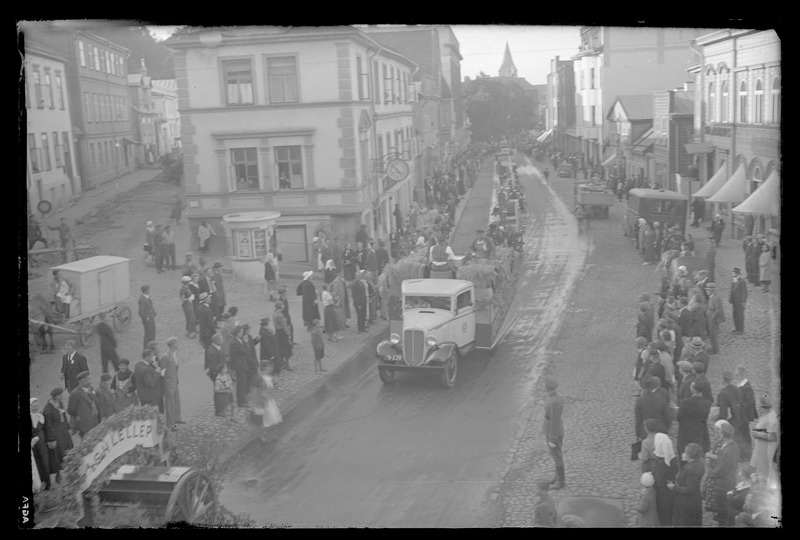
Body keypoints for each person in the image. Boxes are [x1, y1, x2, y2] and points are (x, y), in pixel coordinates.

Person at [705, 420, 740, 526]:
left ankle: (723, 522)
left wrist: (709, 470)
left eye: (719, 432)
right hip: (729, 479)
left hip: (723, 483)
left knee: (722, 504)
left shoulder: (727, 451)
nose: (717, 434)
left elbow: (720, 470)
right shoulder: (733, 445)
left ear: (724, 435)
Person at [716, 370, 751, 462]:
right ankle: (748, 457)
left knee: (736, 440)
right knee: (746, 437)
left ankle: (740, 458)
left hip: (734, 421)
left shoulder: (723, 393)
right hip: (744, 418)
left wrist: (721, 424)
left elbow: (723, 413)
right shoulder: (739, 389)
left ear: (723, 381)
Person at [669, 442, 706, 526]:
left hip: (687, 502)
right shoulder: (698, 463)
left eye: (685, 452)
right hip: (693, 499)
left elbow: (690, 489)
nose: (683, 454)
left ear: (690, 456)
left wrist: (674, 488)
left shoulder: (691, 469)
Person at [42, 388, 73, 484]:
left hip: (63, 431)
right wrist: (52, 439)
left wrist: (68, 428)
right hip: (56, 433)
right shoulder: (47, 409)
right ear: (55, 396)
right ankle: (58, 474)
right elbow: (48, 425)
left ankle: (71, 470)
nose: (62, 397)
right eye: (60, 395)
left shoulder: (60, 404)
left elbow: (63, 417)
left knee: (69, 449)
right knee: (58, 453)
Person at [750, 396, 779, 489]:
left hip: (766, 452)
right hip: (761, 451)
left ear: (764, 407)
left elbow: (773, 437)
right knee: (761, 476)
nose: (759, 409)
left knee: (765, 477)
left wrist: (758, 434)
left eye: (760, 407)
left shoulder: (770, 418)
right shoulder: (766, 416)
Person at [677, 381, 712, 457]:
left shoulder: (685, 402)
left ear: (693, 389)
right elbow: (704, 418)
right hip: (699, 430)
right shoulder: (707, 403)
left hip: (685, 431)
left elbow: (679, 417)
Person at [542, 376, 565, 490]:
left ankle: (560, 482)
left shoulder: (555, 401)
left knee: (557, 456)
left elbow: (555, 421)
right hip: (550, 429)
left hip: (554, 431)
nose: (544, 386)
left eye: (545, 385)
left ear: (548, 387)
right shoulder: (552, 397)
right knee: (555, 456)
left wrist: (552, 439)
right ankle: (557, 477)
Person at [652, 432, 678, 526]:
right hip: (671, 495)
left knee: (664, 519)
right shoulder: (673, 459)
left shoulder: (661, 463)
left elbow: (658, 482)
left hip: (663, 497)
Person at [67, 371, 101, 438]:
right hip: (86, 425)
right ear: (80, 382)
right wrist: (81, 416)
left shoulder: (91, 388)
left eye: (90, 379)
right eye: (87, 380)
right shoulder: (75, 394)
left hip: (96, 421)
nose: (90, 381)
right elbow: (71, 410)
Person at [161, 337, 183, 430]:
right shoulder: (166, 356)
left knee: (176, 401)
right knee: (170, 405)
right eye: (177, 343)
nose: (178, 344)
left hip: (174, 382)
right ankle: (170, 424)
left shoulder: (174, 354)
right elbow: (162, 372)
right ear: (173, 345)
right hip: (169, 384)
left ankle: (177, 418)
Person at [229, 326, 251, 408]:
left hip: (242, 364)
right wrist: (246, 342)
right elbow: (245, 351)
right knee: (241, 384)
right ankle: (241, 402)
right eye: (241, 332)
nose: (242, 333)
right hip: (239, 366)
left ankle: (242, 399)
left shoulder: (238, 340)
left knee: (243, 383)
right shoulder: (235, 343)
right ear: (237, 333)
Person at [273, 301, 294, 371]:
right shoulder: (280, 315)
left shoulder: (274, 313)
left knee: (280, 348)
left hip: (277, 333)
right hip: (282, 333)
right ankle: (287, 365)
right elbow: (284, 326)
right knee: (287, 348)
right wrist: (288, 334)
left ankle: (282, 363)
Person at [704, 282, 723, 355]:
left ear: (712, 291)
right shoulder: (711, 297)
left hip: (713, 319)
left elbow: (719, 310)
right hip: (709, 318)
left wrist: (712, 315)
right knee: (711, 334)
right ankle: (713, 347)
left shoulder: (717, 298)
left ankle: (715, 350)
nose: (706, 291)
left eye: (708, 290)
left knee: (714, 334)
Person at [729, 267, 748, 334]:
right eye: (732, 272)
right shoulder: (734, 280)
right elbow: (732, 290)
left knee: (740, 316)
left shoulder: (742, 281)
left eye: (733, 273)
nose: (732, 274)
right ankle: (736, 328)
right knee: (735, 315)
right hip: (734, 301)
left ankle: (740, 330)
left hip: (740, 302)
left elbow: (744, 292)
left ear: (737, 274)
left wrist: (743, 302)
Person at [138, 285, 157, 350]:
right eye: (148, 289)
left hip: (151, 318)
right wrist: (147, 318)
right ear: (146, 290)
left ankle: (151, 347)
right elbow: (141, 312)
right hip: (148, 320)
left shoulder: (146, 297)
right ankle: (146, 349)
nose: (149, 290)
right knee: (148, 335)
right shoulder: (142, 300)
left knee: (152, 333)